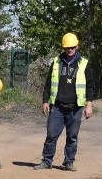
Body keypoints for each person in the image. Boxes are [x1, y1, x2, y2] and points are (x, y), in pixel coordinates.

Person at [34, 32, 95, 171]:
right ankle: (46, 161)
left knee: (72, 137)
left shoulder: (84, 64)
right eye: (67, 47)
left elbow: (90, 86)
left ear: (77, 46)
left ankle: (69, 162)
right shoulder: (56, 62)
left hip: (76, 107)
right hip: (58, 107)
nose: (70, 50)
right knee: (51, 136)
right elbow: (48, 83)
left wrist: (89, 105)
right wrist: (45, 100)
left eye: (72, 47)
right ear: (63, 47)